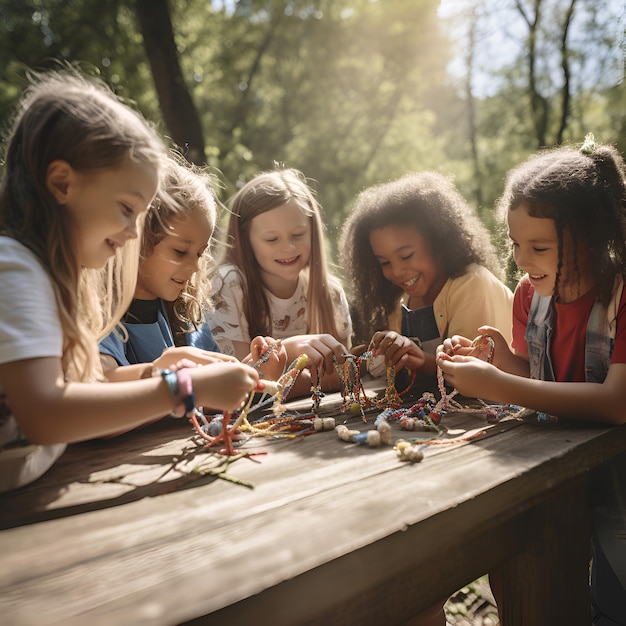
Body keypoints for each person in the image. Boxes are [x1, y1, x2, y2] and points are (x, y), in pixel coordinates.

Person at [0, 70, 261, 493]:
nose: (133, 232)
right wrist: (183, 388)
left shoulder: (45, 279)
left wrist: (159, 371)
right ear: (61, 183)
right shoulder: (14, 267)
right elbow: (45, 414)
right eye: (126, 208)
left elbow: (84, 395)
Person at [437, 136, 626, 625]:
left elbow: (615, 402)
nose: (521, 259)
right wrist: (502, 362)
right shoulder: (529, 296)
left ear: (587, 237)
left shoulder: (620, 296)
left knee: (615, 598)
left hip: (620, 485)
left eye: (539, 247)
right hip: (562, 475)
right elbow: (543, 378)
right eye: (516, 244)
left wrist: (498, 386)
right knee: (550, 586)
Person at [338, 171, 513, 381]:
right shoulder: (400, 300)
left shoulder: (472, 283)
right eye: (384, 262)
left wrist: (416, 358)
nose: (396, 271)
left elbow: (469, 373)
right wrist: (371, 357)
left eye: (406, 255)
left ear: (439, 240)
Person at [208, 167, 352, 396]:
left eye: (298, 235)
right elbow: (240, 383)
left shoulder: (330, 292)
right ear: (246, 240)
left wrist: (283, 377)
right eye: (271, 239)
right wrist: (289, 350)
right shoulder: (228, 285)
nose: (288, 248)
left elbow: (345, 374)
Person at [99, 152, 234, 381]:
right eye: (180, 252)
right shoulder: (101, 313)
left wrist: (260, 367)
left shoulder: (184, 313)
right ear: (137, 240)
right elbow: (101, 380)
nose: (194, 267)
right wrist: (162, 373)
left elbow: (215, 384)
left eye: (200, 254)